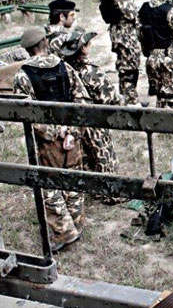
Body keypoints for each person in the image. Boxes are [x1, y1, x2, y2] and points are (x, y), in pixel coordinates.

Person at [14, 26, 90, 252]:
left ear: (27, 49)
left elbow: (28, 114)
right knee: (74, 178)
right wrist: (72, 132)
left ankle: (64, 232)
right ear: (46, 42)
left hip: (47, 142)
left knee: (50, 186)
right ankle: (77, 223)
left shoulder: (23, 75)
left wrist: (53, 133)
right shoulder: (65, 66)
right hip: (71, 136)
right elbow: (82, 101)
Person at [60, 28, 121, 184]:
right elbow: (111, 99)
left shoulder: (63, 70)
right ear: (83, 49)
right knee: (104, 162)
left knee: (84, 162)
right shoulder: (92, 72)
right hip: (94, 123)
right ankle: (107, 192)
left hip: (71, 124)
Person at [99, 0, 141, 105]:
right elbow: (130, 13)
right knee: (130, 66)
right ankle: (132, 101)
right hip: (125, 31)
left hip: (115, 29)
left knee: (123, 63)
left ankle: (125, 97)